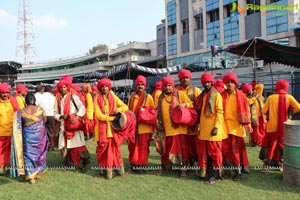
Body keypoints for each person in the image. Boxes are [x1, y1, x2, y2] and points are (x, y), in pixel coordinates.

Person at [259, 79, 300, 172]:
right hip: (283, 127)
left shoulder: (271, 98)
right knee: (281, 146)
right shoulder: (289, 97)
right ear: (286, 87)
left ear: (277, 87)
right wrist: (289, 112)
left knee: (268, 145)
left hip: (271, 127)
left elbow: (264, 111)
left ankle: (265, 166)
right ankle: (280, 165)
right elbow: (298, 108)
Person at [156, 77, 193, 178]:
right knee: (164, 150)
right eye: (165, 86)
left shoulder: (180, 94)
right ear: (163, 87)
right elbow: (157, 112)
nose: (167, 88)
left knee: (183, 150)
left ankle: (183, 170)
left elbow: (192, 104)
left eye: (169, 86)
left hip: (180, 129)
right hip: (166, 129)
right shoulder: (160, 97)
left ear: (172, 86)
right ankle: (164, 167)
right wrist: (157, 123)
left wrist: (184, 104)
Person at [195, 73, 227, 184]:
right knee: (205, 154)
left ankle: (216, 176)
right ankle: (207, 174)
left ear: (212, 83)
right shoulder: (203, 95)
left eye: (209, 82)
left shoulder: (216, 95)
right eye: (205, 82)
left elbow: (220, 112)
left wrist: (216, 127)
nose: (207, 84)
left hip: (214, 131)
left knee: (215, 154)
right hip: (204, 130)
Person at [94, 78, 129, 179]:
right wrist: (112, 118)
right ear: (100, 88)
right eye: (102, 87)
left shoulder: (114, 97)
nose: (104, 88)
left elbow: (125, 106)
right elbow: (98, 115)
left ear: (109, 88)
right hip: (102, 129)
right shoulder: (96, 98)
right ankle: (103, 171)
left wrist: (118, 110)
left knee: (114, 150)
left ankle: (115, 171)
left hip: (113, 129)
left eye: (106, 86)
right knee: (102, 150)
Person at [54, 79, 90, 173]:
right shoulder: (58, 99)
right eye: (61, 88)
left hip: (74, 125)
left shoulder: (73, 96)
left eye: (64, 87)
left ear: (67, 87)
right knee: (65, 146)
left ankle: (82, 164)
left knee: (77, 146)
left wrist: (77, 117)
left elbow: (82, 107)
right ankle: (69, 163)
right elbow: (55, 113)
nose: (62, 89)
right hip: (63, 126)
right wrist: (61, 116)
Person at [11, 93, 48, 184]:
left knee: (28, 155)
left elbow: (19, 125)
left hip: (28, 137)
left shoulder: (21, 112)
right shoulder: (40, 109)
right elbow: (45, 120)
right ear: (34, 100)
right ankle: (38, 171)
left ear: (25, 101)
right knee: (39, 154)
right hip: (39, 137)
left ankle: (31, 177)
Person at [221, 72, 251, 181]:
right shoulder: (221, 95)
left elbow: (247, 112)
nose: (229, 84)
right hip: (224, 129)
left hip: (236, 128)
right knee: (224, 151)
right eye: (227, 82)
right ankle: (227, 171)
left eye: (232, 82)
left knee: (235, 152)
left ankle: (238, 172)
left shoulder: (242, 96)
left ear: (235, 84)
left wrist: (249, 125)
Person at [127, 75, 155, 173]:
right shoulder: (131, 97)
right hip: (134, 128)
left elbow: (153, 112)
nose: (140, 86)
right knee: (133, 147)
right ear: (135, 85)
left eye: (142, 84)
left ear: (145, 86)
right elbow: (129, 112)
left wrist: (144, 112)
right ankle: (134, 165)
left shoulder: (149, 97)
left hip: (145, 128)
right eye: (138, 84)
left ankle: (142, 165)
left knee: (143, 148)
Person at [176, 69, 202, 166]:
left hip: (193, 122)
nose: (185, 80)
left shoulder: (196, 90)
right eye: (183, 78)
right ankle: (184, 162)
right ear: (180, 80)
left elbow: (199, 105)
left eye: (186, 78)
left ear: (190, 79)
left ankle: (194, 162)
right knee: (183, 144)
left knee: (194, 143)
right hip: (180, 122)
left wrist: (186, 104)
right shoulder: (176, 90)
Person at [0, 83, 19, 175]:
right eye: (3, 93)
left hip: (12, 132)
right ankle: (2, 168)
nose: (4, 95)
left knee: (11, 151)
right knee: (1, 152)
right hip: (1, 132)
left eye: (6, 93)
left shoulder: (14, 103)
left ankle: (9, 167)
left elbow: (19, 114)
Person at [39, 85, 56, 150]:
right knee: (51, 131)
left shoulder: (41, 97)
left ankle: (44, 145)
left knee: (43, 130)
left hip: (43, 115)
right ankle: (51, 145)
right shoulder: (53, 97)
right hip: (51, 115)